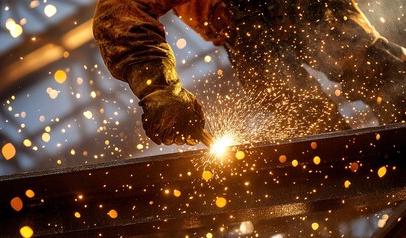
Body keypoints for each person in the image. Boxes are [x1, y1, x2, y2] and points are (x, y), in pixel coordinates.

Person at [93, 0, 406, 146]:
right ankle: (340, 164)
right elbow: (121, 12)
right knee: (305, 120)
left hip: (313, 6)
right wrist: (159, 90)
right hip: (242, 24)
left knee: (386, 74)